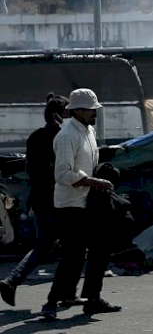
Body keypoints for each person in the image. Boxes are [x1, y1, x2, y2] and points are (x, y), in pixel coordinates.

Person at [40, 88, 121, 320]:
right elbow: (63, 174)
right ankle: (51, 303)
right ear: (79, 111)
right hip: (70, 205)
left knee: (100, 249)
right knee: (73, 256)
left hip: (88, 201)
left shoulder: (88, 131)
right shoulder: (66, 136)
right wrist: (94, 181)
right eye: (91, 110)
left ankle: (92, 299)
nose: (95, 113)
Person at [0, 92, 85, 308]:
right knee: (72, 247)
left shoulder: (36, 136)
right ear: (63, 114)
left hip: (39, 201)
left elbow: (32, 170)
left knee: (44, 246)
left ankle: (12, 282)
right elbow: (61, 171)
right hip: (58, 201)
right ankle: (66, 294)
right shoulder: (64, 137)